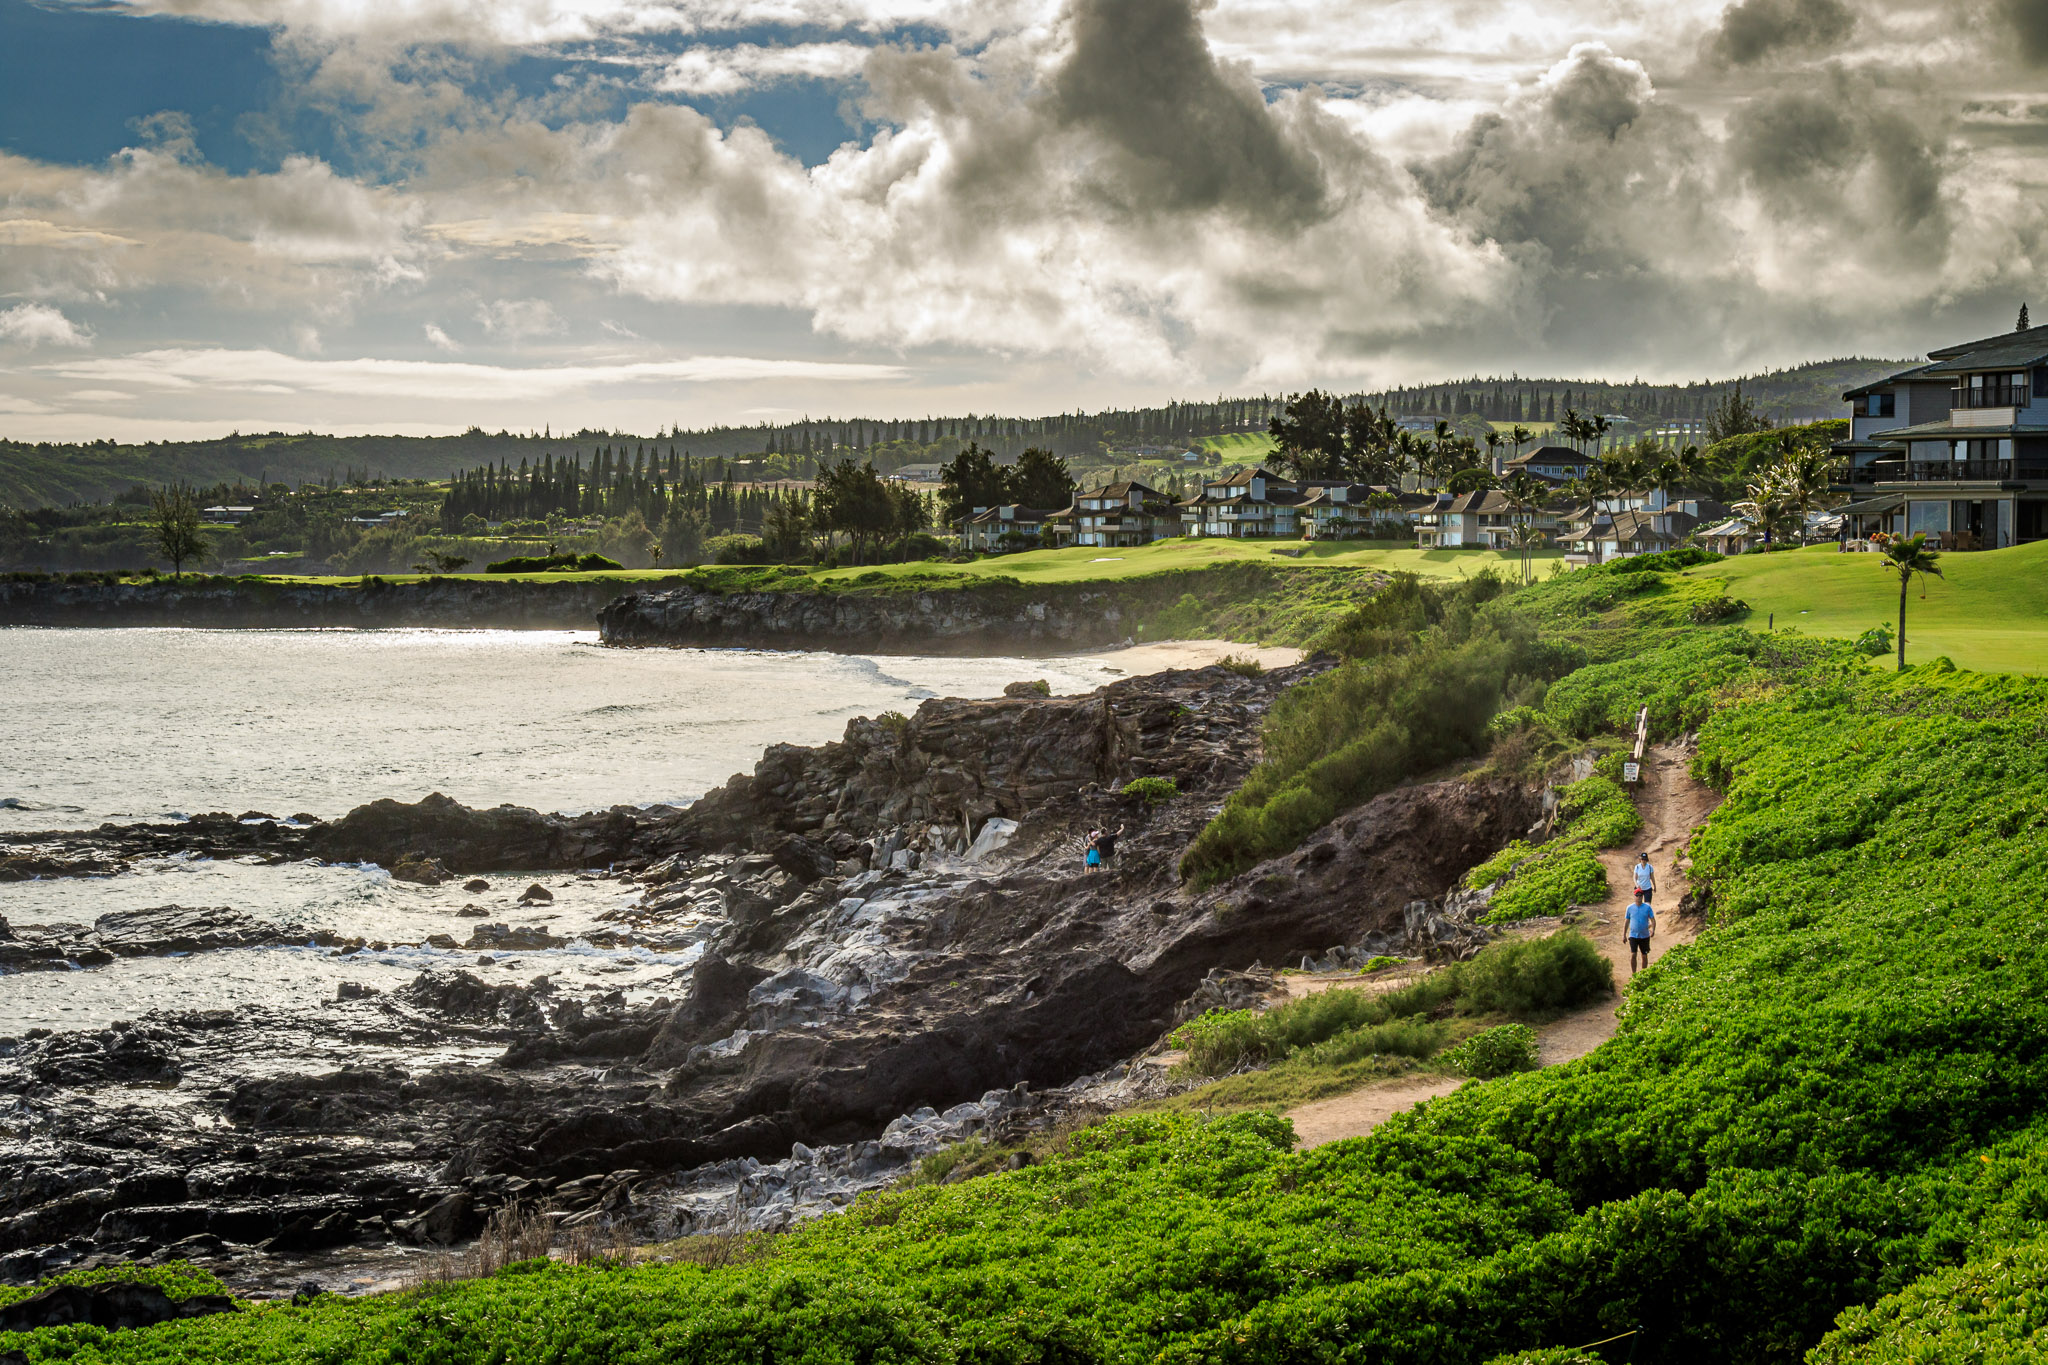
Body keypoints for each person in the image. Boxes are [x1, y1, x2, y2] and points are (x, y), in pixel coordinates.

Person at [1625, 889, 1656, 974]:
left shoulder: (1647, 908)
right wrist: (1624, 934)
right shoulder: (1630, 908)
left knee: (1644, 955)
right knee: (1633, 954)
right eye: (1637, 895)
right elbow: (1627, 921)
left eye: (1640, 895)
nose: (1639, 897)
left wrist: (1653, 930)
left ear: (1642, 896)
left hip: (1645, 935)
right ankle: (1634, 973)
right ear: (1634, 896)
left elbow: (1653, 919)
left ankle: (1643, 974)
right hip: (1633, 935)